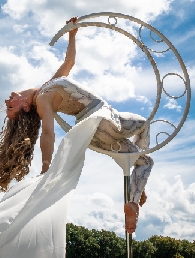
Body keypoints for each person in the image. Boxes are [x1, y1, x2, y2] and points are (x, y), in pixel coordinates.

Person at [0, 17, 153, 234]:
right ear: (25, 106)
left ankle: (134, 200)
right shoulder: (43, 100)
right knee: (144, 123)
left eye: (8, 106)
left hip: (94, 132)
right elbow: (48, 134)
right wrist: (46, 168)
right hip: (104, 118)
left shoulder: (47, 87)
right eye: (10, 107)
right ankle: (137, 186)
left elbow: (69, 62)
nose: (7, 102)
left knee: (145, 160)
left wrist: (72, 35)